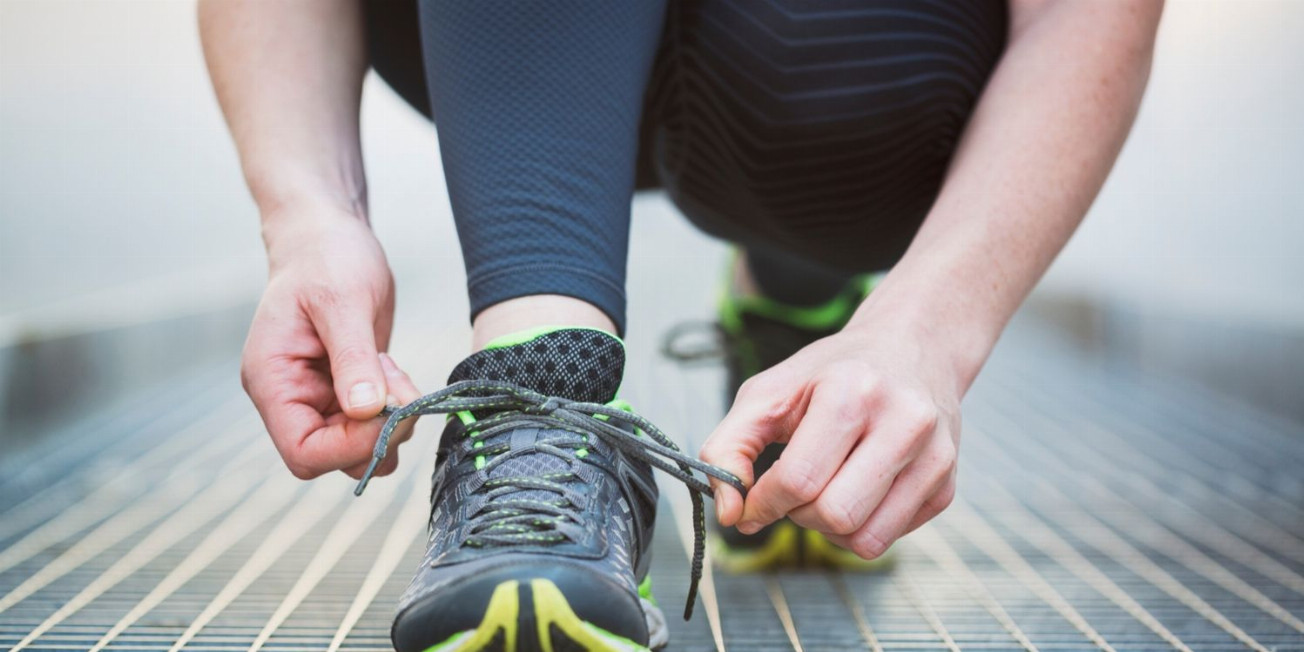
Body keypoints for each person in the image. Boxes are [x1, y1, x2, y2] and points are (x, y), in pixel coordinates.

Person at [199, 0, 1162, 650]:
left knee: (838, 44)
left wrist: (926, 331)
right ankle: (545, 411)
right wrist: (309, 214)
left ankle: (801, 305)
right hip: (501, 40)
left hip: (842, 68)